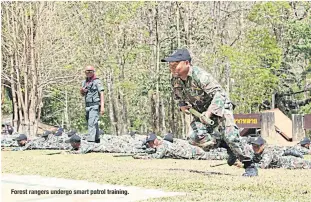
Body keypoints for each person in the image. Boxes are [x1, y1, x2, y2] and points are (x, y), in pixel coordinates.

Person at [161, 48, 257, 176]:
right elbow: (178, 97)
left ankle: (249, 165)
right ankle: (226, 146)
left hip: (220, 108)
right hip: (202, 113)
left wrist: (209, 112)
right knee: (194, 138)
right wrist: (182, 106)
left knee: (232, 137)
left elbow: (220, 94)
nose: (171, 67)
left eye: (175, 64)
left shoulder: (201, 76)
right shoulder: (175, 80)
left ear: (186, 63)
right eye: (170, 65)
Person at [133, 133, 228, 160]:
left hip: (192, 153)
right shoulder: (162, 145)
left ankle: (230, 155)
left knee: (214, 156)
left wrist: (142, 157)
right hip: (191, 151)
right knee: (212, 154)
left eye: (151, 142)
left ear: (155, 141)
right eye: (149, 143)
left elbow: (156, 156)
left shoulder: (163, 145)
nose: (150, 145)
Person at [80, 65, 105, 143]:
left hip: (95, 105)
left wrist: (102, 107)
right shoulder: (85, 82)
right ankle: (97, 139)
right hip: (87, 105)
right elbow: (82, 94)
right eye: (87, 71)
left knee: (91, 123)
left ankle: (91, 141)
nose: (88, 73)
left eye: (90, 71)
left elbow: (101, 93)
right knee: (93, 122)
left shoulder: (97, 81)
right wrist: (82, 91)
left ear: (93, 72)